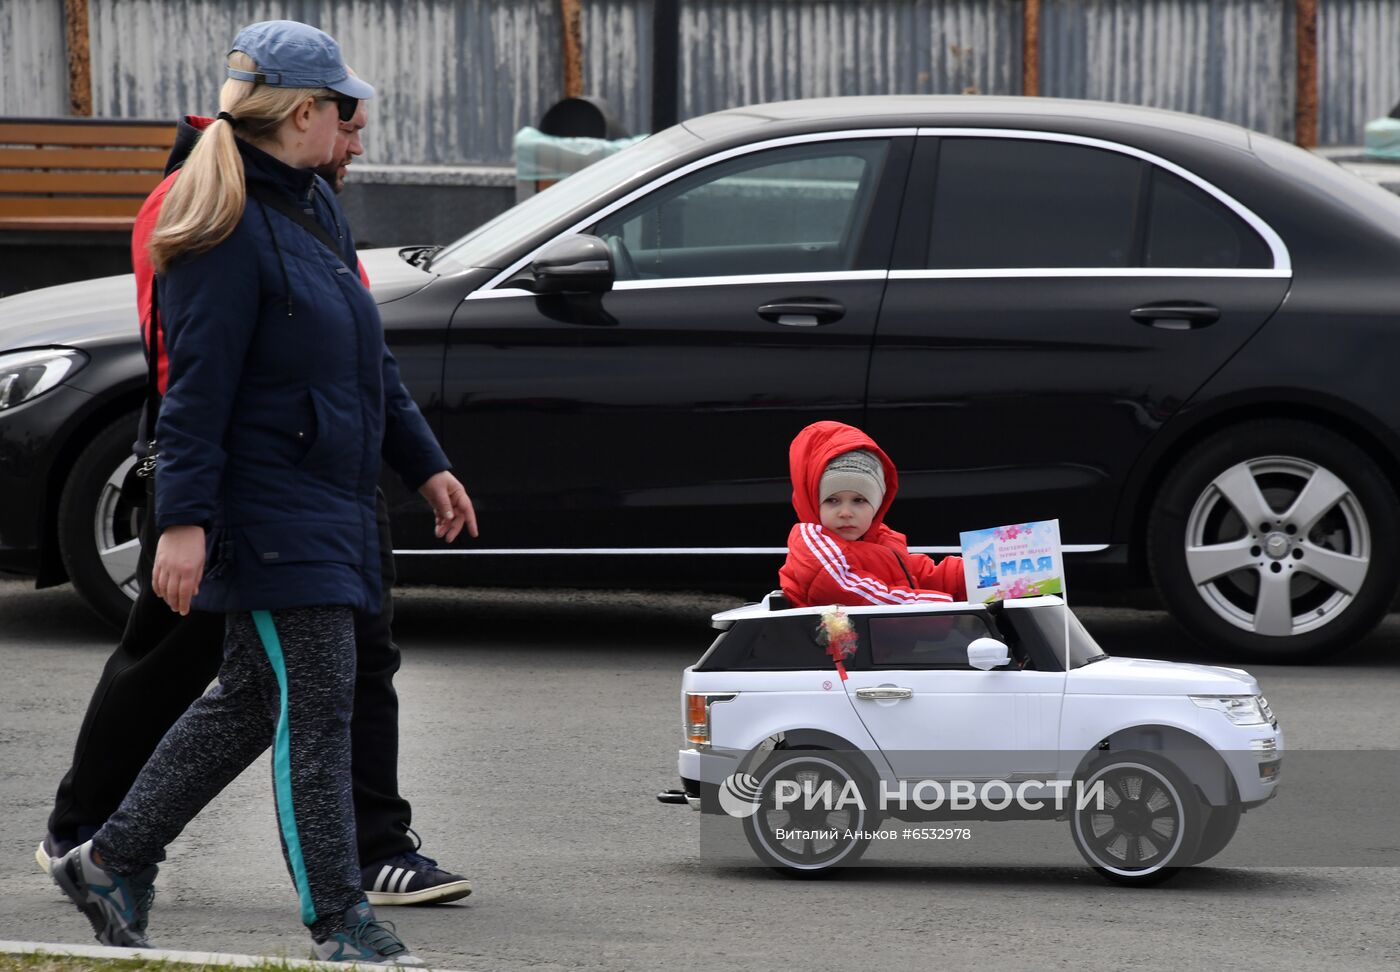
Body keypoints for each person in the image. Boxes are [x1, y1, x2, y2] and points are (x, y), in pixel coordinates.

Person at [49, 21, 474, 961]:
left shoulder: (314, 208)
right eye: (345, 110)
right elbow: (192, 392)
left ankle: (109, 856)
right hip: (267, 512)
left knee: (248, 700)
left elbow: (369, 365)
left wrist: (427, 463)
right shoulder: (220, 226)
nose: (356, 128)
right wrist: (185, 525)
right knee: (315, 719)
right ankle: (341, 920)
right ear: (302, 112)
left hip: (326, 503)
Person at [779, 421, 966, 607]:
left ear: (877, 504)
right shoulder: (813, 546)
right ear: (812, 502)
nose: (845, 512)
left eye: (859, 500)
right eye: (832, 500)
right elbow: (869, 599)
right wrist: (949, 607)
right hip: (832, 635)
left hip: (882, 635)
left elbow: (919, 575)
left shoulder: (880, 539)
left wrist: (969, 574)